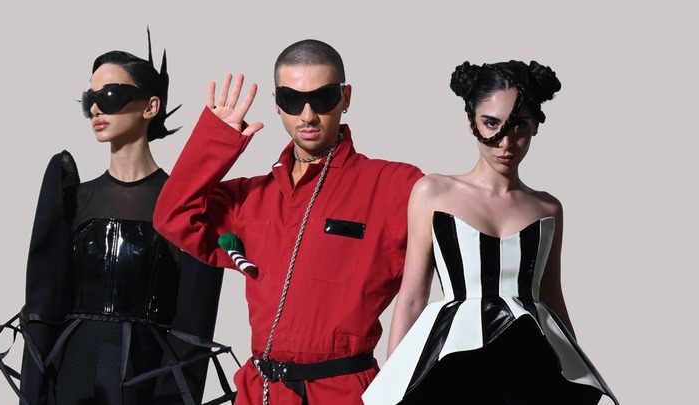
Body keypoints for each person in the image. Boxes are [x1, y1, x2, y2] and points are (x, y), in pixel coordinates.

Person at [0, 31, 238, 405]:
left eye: (110, 96)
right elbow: (42, 309)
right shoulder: (70, 196)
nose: (96, 109)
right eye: (90, 99)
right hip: (70, 377)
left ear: (150, 106)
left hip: (145, 382)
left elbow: (195, 320)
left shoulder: (189, 204)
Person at [153, 39, 424, 405]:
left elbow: (467, 246)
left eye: (323, 98)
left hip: (345, 393)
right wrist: (216, 141)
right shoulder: (249, 197)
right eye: (293, 100)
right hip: (260, 392)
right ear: (277, 103)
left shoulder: (394, 186)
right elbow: (173, 216)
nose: (307, 115)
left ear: (345, 97)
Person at [361, 60, 619, 404]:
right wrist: (393, 386)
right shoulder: (432, 192)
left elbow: (552, 301)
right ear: (471, 123)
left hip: (531, 366)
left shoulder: (548, 208)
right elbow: (411, 298)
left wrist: (576, 374)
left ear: (536, 126)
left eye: (519, 125)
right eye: (491, 123)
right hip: (454, 366)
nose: (505, 143)